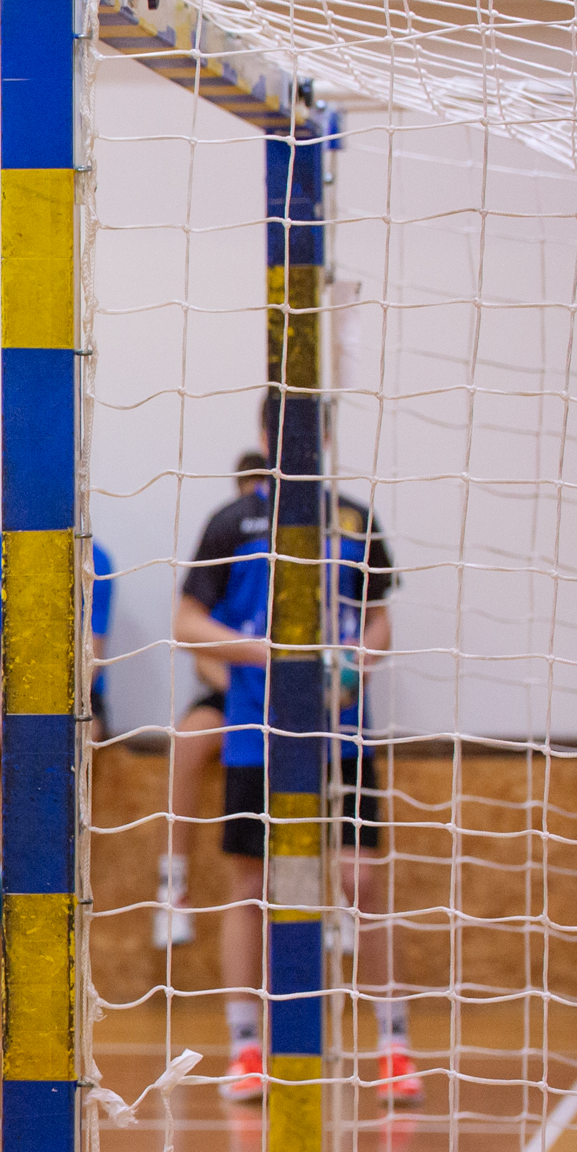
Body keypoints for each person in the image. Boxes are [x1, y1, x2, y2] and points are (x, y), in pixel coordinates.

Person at [172, 464, 411, 1104]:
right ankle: (246, 1046)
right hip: (257, 733)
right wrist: (269, 655)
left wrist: (355, 664)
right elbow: (187, 623)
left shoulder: (354, 518)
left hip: (341, 733)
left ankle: (394, 1046)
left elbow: (378, 617)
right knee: (252, 885)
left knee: (362, 880)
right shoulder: (235, 522)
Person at [0, 525, 113, 932]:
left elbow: (92, 654)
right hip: (5, 683)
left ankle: (11, 872)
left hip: (70, 688)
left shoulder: (94, 560)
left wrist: (46, 713)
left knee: (82, 739)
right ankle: (14, 858)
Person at [155, 449, 271, 946]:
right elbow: (201, 652)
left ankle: (341, 907)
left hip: (286, 699)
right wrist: (240, 685)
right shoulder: (228, 553)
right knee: (189, 740)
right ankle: (172, 886)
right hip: (235, 691)